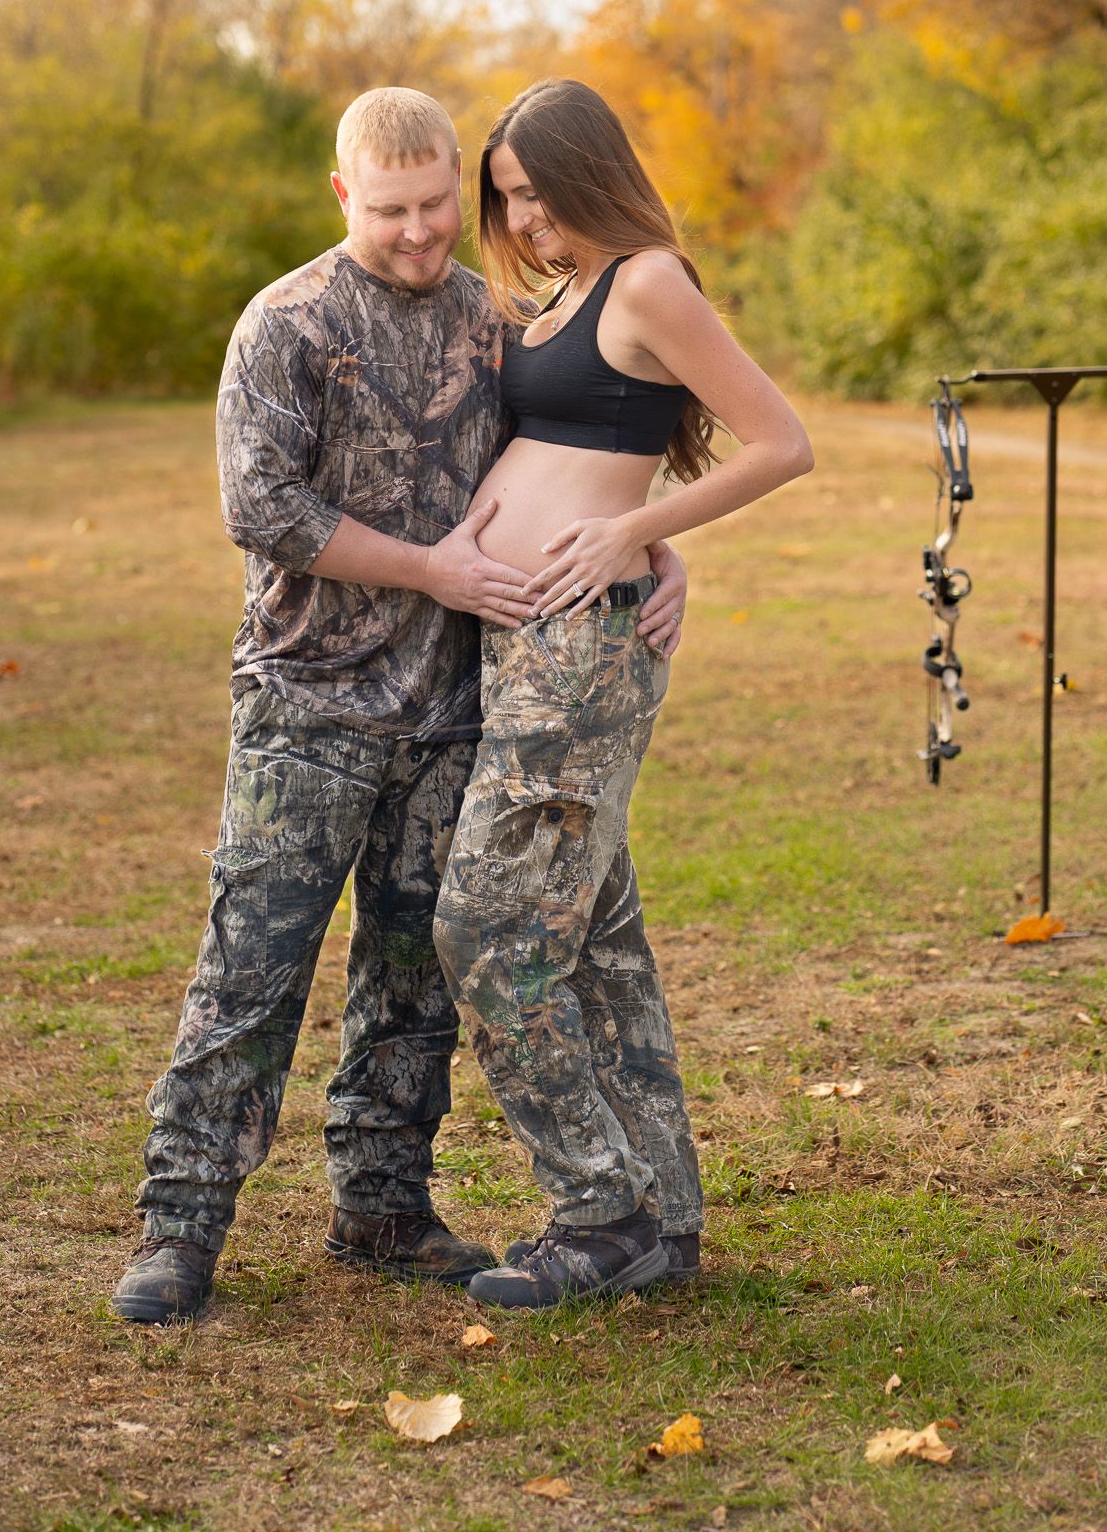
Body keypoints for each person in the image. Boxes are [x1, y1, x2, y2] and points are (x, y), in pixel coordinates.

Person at [110, 87, 688, 1325]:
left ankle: (382, 1203)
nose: (421, 230)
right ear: (343, 195)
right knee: (251, 970)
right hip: (307, 703)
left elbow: (580, 441)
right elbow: (262, 507)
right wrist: (430, 569)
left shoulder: (492, 316)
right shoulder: (287, 322)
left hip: (453, 704)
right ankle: (181, 1223)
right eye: (391, 210)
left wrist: (650, 545)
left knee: (412, 977)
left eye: (436, 204)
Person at [433, 77, 814, 1309]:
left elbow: (782, 441)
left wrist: (635, 533)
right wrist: (638, 533)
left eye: (541, 193)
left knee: (486, 932)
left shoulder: (647, 281)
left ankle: (599, 1213)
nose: (527, 221)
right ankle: (666, 1216)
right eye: (509, 200)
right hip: (528, 640)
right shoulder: (562, 295)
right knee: (595, 937)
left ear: (591, 173)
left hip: (581, 647)